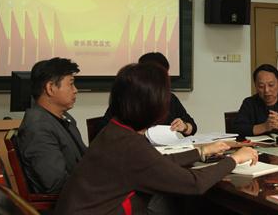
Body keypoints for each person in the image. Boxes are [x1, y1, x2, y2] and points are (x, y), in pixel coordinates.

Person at [54, 62, 258, 215]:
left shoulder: (115, 131)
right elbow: (193, 184)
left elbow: (155, 163)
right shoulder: (129, 144)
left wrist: (201, 151)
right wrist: (235, 159)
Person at [17, 57, 87, 194]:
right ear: (50, 88)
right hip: (69, 201)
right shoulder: (38, 128)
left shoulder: (65, 118)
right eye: (71, 84)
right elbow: (56, 184)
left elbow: (84, 158)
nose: (75, 90)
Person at [99, 52, 197, 138]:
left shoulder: (170, 98)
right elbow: (102, 130)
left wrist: (184, 127)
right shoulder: (126, 100)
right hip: (133, 149)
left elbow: (192, 128)